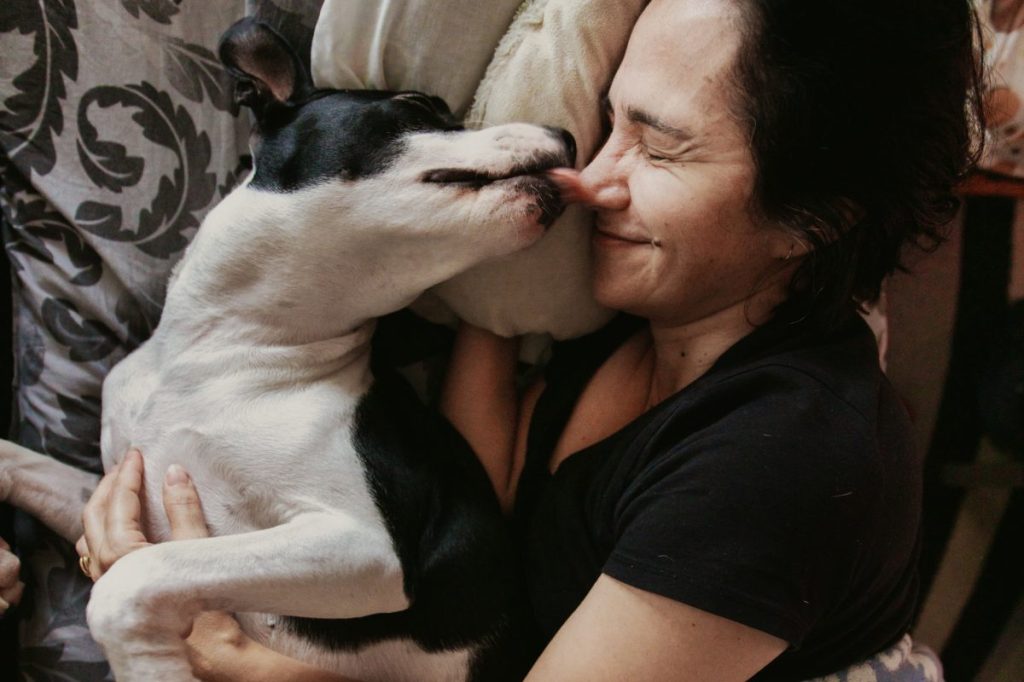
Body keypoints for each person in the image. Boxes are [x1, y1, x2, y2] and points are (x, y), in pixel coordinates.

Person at [77, 0, 984, 679]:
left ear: (814, 219)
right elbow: (485, 506)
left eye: (660, 150)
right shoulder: (629, 307)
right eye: (613, 120)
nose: (592, 179)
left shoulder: (782, 456)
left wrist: (237, 656)